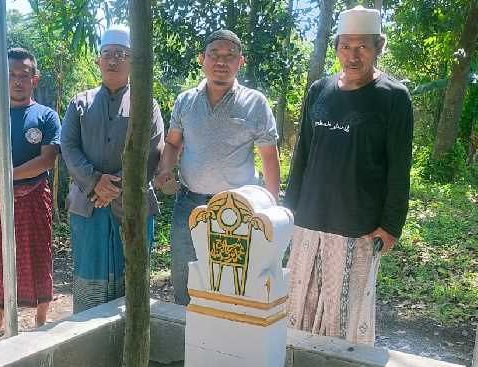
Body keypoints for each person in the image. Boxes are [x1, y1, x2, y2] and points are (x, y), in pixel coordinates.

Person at [283, 6, 413, 345]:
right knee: (298, 308)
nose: (352, 56)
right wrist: (288, 211)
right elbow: (302, 157)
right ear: (336, 47)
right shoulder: (319, 91)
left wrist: (391, 224)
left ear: (378, 47)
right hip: (309, 219)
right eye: (345, 46)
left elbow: (399, 168)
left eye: (362, 47)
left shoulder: (394, 98)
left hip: (358, 225)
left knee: (343, 315)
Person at [154, 29, 280, 306]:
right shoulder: (185, 101)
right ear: (202, 59)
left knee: (231, 284)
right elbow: (173, 143)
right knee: (185, 281)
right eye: (215, 54)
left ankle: (225, 345)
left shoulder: (255, 103)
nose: (221, 62)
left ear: (241, 62)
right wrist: (165, 169)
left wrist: (272, 208)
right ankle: (186, 341)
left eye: (230, 56)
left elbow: (269, 156)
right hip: (188, 204)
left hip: (236, 211)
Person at [61, 26, 165, 313]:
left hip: (132, 205)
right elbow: (67, 147)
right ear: (98, 61)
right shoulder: (79, 103)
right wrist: (94, 181)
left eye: (121, 54)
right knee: (88, 267)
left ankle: (129, 339)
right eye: (107, 54)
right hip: (87, 204)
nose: (113, 60)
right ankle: (87, 338)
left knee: (131, 271)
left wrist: (115, 187)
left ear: (133, 61)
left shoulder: (148, 105)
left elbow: (155, 150)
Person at [0, 47, 61, 343]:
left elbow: (47, 159)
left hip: (34, 196)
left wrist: (4, 178)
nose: (18, 81)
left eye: (24, 75)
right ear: (2, 78)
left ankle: (41, 317)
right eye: (11, 75)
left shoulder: (46, 116)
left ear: (35, 79)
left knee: (39, 253)